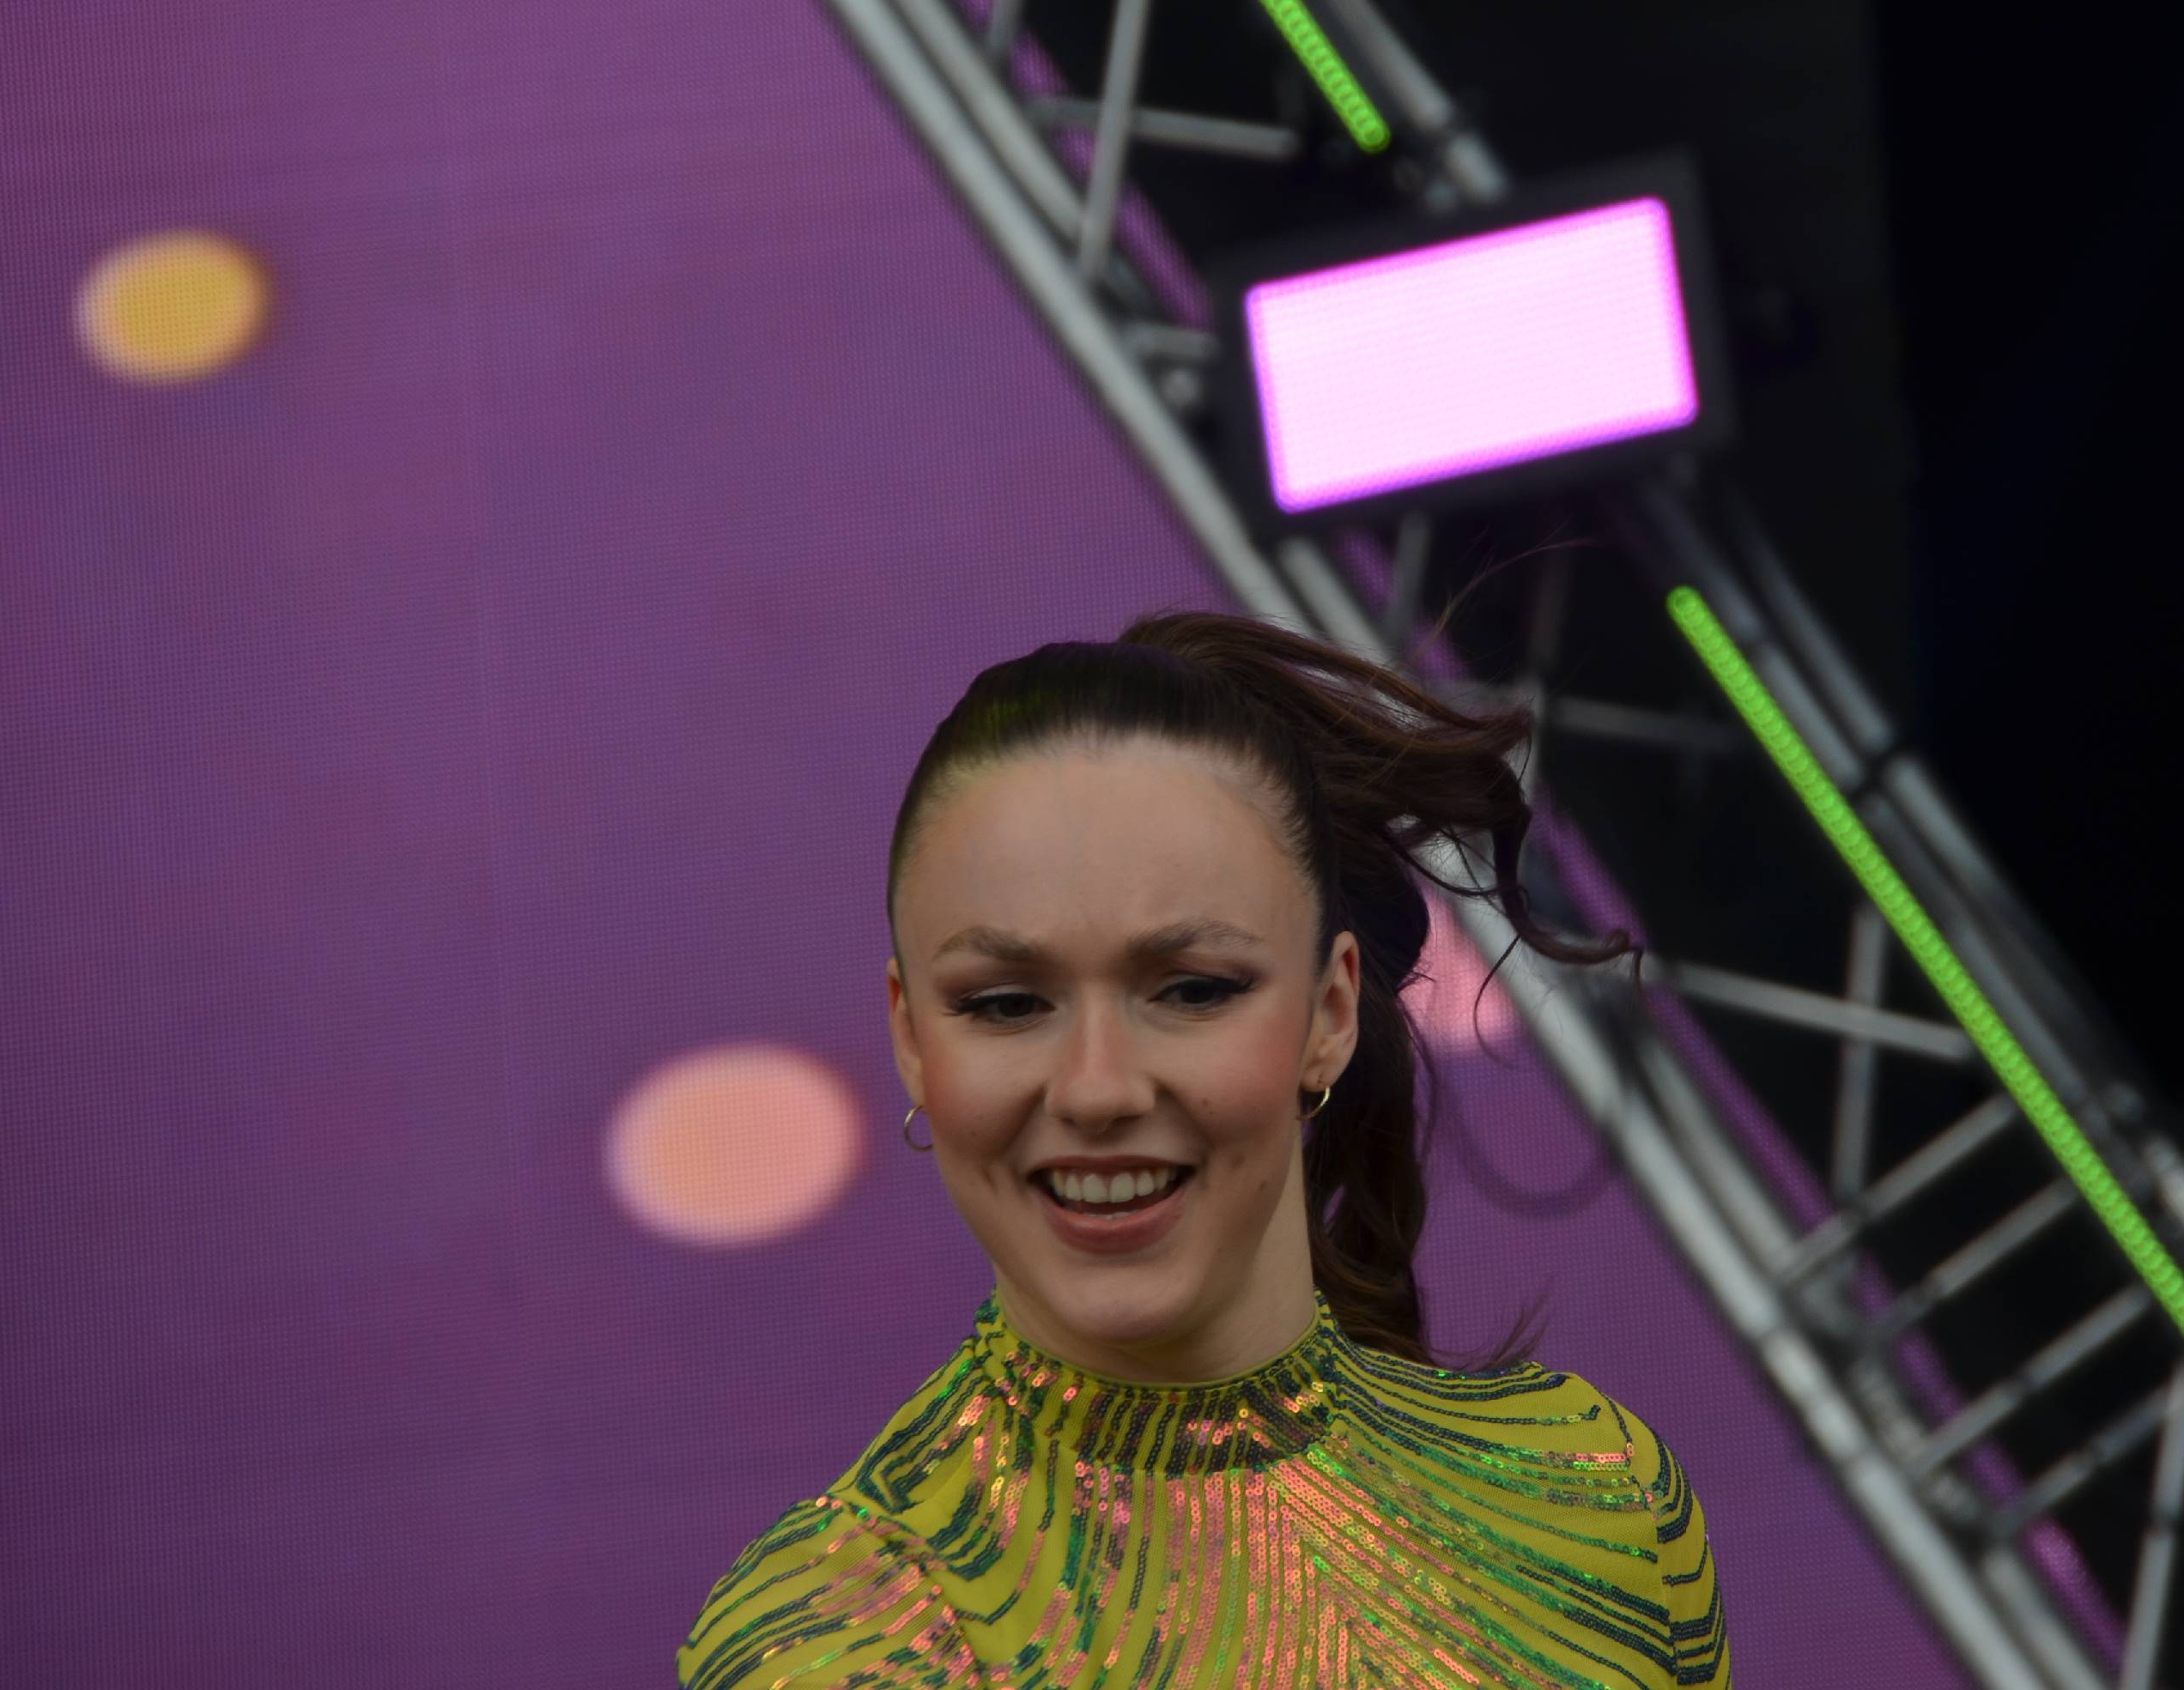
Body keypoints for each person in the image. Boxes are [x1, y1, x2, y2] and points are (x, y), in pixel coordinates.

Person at [677, 607, 1732, 1688]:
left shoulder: (1601, 1495)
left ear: (1329, 1014)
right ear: (912, 1040)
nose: (1098, 1088)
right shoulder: (837, 1639)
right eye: (1005, 1004)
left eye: (1191, 990)